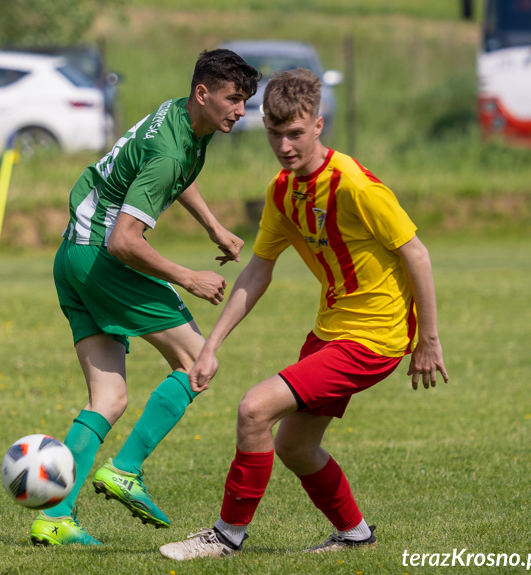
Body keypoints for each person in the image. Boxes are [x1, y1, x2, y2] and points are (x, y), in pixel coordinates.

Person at [158, 68, 449, 560]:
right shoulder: (282, 192)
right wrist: (210, 347)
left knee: (254, 409)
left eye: (295, 133)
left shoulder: (354, 185)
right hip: (330, 332)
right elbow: (257, 272)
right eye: (275, 133)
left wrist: (430, 340)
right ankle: (355, 535)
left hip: (374, 337)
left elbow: (416, 253)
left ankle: (226, 536)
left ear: (317, 125)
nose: (285, 145)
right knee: (294, 446)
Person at [28, 49, 262, 546]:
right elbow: (125, 241)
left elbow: (177, 176)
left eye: (244, 101)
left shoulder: (181, 116)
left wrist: (215, 227)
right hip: (101, 256)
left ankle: (54, 517)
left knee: (108, 399)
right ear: (204, 93)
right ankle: (126, 470)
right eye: (234, 99)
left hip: (71, 257)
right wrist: (187, 278)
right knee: (199, 359)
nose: (241, 111)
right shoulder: (172, 149)